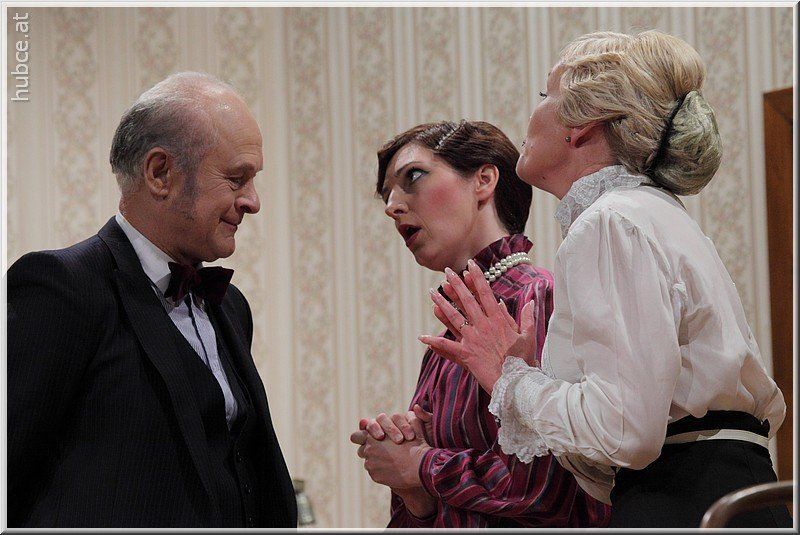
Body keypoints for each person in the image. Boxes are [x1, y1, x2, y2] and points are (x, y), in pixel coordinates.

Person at [420, 31, 792, 528]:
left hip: (683, 501)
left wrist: (511, 380)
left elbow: (623, 431)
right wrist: (534, 378)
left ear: (581, 125)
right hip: (722, 489)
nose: (532, 112)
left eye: (545, 94)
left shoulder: (611, 221)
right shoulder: (649, 212)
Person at [7, 72, 297, 528]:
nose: (253, 201)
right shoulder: (62, 287)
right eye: (236, 179)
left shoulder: (231, 307)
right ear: (160, 173)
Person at [349, 120, 611, 528]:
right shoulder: (447, 339)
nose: (392, 206)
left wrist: (421, 464)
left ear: (484, 180)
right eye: (387, 194)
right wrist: (412, 488)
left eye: (413, 177)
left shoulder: (538, 299)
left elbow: (550, 487)